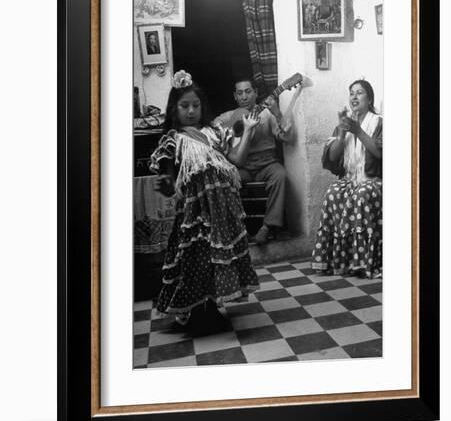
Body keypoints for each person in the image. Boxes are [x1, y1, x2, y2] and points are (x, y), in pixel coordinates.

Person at [149, 70, 260, 336]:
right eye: (184, 106)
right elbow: (168, 177)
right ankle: (194, 311)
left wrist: (248, 132)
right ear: (174, 109)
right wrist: (166, 185)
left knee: (214, 260)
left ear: (202, 107)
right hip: (194, 214)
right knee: (195, 259)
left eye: (195, 106)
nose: (190, 111)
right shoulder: (173, 139)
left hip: (221, 211)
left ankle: (210, 306)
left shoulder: (213, 133)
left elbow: (236, 161)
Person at [215, 78, 302, 245]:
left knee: (281, 175)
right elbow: (212, 127)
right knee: (226, 180)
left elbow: (287, 138)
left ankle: (267, 227)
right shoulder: (229, 116)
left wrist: (277, 113)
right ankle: (238, 228)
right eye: (240, 93)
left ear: (255, 93)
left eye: (248, 91)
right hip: (243, 166)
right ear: (235, 96)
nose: (244, 97)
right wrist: (225, 132)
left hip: (267, 164)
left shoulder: (267, 114)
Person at [311, 79, 382, 279]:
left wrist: (358, 131)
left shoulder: (379, 122)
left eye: (359, 93)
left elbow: (379, 153)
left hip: (375, 180)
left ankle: (363, 262)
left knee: (361, 194)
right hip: (351, 179)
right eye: (351, 93)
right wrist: (343, 133)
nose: (354, 96)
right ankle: (340, 260)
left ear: (369, 99)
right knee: (333, 192)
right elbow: (333, 158)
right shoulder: (345, 125)